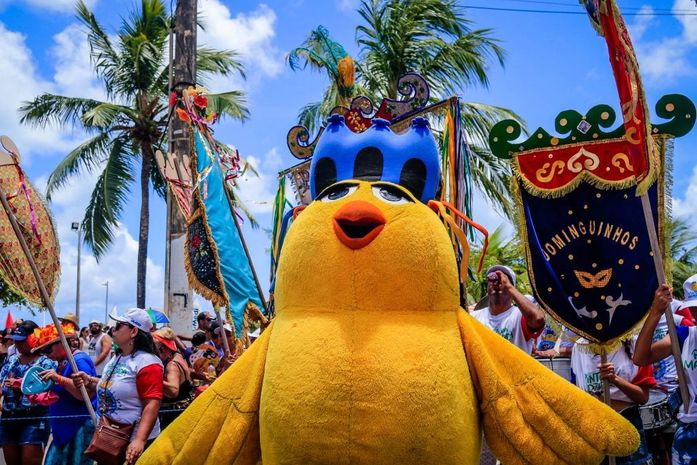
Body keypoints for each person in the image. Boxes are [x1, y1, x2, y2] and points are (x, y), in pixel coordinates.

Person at [72, 308, 164, 465]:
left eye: (119, 325)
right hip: (109, 439)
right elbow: (115, 386)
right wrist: (90, 381)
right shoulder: (118, 357)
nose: (113, 329)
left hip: (132, 445)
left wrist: (139, 440)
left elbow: (152, 403)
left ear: (134, 332)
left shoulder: (148, 362)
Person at [635, 284, 697, 465]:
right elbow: (641, 358)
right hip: (691, 429)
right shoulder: (686, 335)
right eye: (693, 308)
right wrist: (656, 312)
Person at [572, 335, 655, 465]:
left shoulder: (636, 343)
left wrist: (615, 379)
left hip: (627, 422)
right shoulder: (579, 347)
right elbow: (578, 391)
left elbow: (643, 397)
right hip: (595, 427)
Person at [29, 323, 97, 465]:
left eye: (48, 349)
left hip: (78, 427)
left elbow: (86, 394)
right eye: (42, 351)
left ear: (62, 343)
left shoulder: (79, 360)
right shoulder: (62, 362)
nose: (46, 354)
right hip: (63, 428)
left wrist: (59, 379)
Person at [0, 320, 56, 465]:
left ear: (34, 339)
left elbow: (46, 392)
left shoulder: (45, 363)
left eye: (22, 341)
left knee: (29, 461)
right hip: (8, 418)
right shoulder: (11, 360)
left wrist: (20, 386)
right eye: (16, 340)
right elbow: (1, 383)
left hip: (34, 419)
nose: (17, 344)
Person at [471, 265, 545, 353]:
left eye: (503, 279)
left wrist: (508, 286)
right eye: (491, 279)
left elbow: (538, 319)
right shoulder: (473, 317)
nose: (496, 283)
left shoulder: (520, 316)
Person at [153, 327, 193, 429]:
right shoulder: (177, 356)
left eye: (154, 348)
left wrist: (152, 378)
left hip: (173, 416)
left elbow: (173, 390)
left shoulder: (172, 365)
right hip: (181, 411)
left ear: (162, 348)